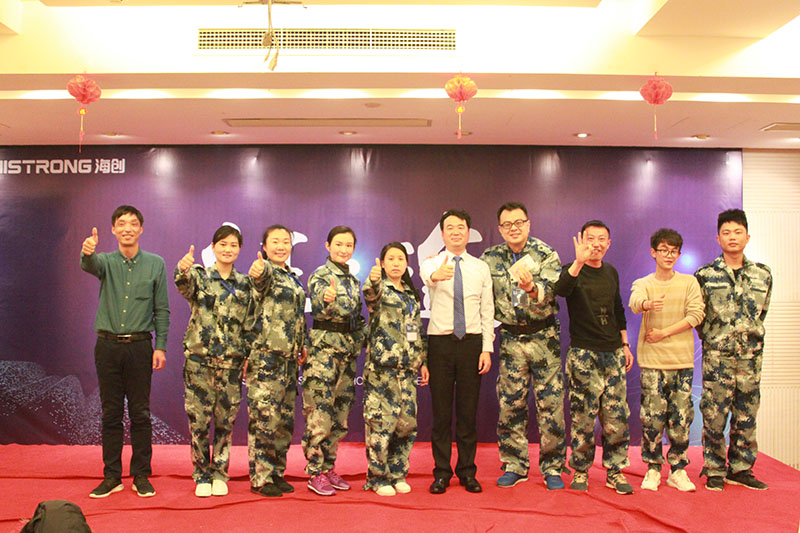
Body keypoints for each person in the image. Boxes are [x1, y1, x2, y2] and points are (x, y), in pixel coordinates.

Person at [80, 205, 169, 498]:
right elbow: (89, 264)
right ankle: (112, 476)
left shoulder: (155, 264)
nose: (127, 228)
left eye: (133, 223)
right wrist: (88, 251)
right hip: (107, 347)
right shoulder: (105, 261)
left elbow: (162, 310)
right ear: (114, 229)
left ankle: (141, 475)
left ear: (141, 229)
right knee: (110, 414)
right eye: (121, 223)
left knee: (140, 414)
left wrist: (160, 346)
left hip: (140, 346)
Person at [480, 202, 567, 490]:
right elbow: (476, 291)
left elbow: (551, 290)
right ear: (500, 229)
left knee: (550, 404)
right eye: (507, 224)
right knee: (510, 404)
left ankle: (553, 466)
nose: (514, 228)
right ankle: (515, 464)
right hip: (511, 339)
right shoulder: (489, 258)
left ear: (528, 224)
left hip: (544, 337)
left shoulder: (545, 253)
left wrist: (531, 289)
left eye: (519, 222)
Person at [554, 220, 634, 494]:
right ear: (582, 241)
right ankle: (580, 470)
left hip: (613, 353)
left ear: (609, 244)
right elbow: (560, 290)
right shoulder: (572, 270)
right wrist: (578, 262)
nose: (596, 244)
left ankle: (615, 470)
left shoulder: (611, 272)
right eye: (591, 238)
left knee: (616, 417)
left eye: (601, 239)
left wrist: (625, 344)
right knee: (583, 417)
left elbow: (618, 309)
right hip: (583, 355)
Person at [695, 209, 772, 491]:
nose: (732, 237)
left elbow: (761, 313)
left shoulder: (762, 274)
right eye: (726, 233)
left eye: (738, 232)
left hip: (750, 359)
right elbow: (699, 318)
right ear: (718, 238)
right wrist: (717, 340)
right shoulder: (705, 275)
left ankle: (741, 469)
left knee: (746, 415)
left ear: (747, 237)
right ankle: (714, 468)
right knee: (714, 415)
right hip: (718, 359)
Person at [174, 225, 253, 498]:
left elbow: (250, 323)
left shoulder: (245, 284)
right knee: (198, 422)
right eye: (222, 244)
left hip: (231, 364)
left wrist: (247, 355)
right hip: (200, 362)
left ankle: (220, 472)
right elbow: (183, 285)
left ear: (239, 249)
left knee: (225, 422)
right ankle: (201, 474)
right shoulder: (200, 276)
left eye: (233, 245)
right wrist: (182, 269)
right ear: (213, 247)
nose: (227, 249)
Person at [420, 209, 494, 495]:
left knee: (467, 413)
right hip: (440, 344)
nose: (455, 232)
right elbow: (428, 277)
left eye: (460, 227)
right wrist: (436, 275)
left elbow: (487, 310)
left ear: (468, 232)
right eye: (449, 227)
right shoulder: (432, 262)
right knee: (440, 415)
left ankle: (467, 471)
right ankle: (441, 473)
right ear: (442, 234)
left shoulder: (480, 267)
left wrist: (486, 348)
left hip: (471, 344)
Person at [629, 228, 704, 492]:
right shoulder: (644, 283)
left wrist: (664, 332)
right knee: (652, 418)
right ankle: (652, 468)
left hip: (681, 362)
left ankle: (678, 470)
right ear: (653, 252)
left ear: (679, 254)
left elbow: (696, 315)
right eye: (663, 250)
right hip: (652, 362)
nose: (669, 255)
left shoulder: (689, 283)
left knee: (681, 418)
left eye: (674, 251)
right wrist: (647, 304)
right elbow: (635, 302)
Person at [303, 226, 367, 496]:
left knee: (339, 415)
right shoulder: (320, 275)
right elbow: (319, 298)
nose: (343, 249)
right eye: (338, 244)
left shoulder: (353, 281)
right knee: (319, 413)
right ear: (328, 246)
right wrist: (325, 298)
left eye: (348, 245)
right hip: (324, 353)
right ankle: (314, 472)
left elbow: (357, 318)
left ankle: (328, 467)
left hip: (347, 354)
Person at [362, 243, 429, 496]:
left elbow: (417, 331)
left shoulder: (410, 294)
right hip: (383, 371)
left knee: (406, 425)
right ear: (382, 263)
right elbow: (370, 294)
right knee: (381, 425)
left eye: (400, 258)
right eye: (390, 259)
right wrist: (373, 280)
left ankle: (398, 473)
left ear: (407, 264)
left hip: (407, 371)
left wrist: (423, 360)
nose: (396, 263)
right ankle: (377, 477)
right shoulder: (379, 288)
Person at [247, 225, 308, 497]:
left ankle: (277, 472)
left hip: (289, 360)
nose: (281, 246)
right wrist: (259, 271)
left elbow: (296, 316)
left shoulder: (292, 277)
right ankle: (261, 478)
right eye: (275, 241)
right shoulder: (265, 271)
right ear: (264, 246)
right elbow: (259, 280)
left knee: (283, 421)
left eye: (285, 241)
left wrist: (302, 344)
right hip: (266, 358)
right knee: (264, 419)